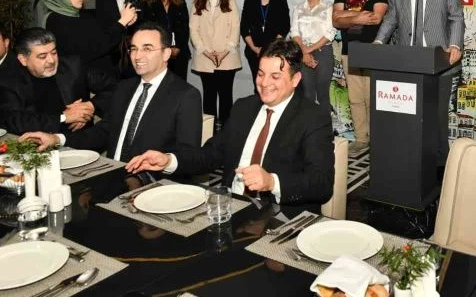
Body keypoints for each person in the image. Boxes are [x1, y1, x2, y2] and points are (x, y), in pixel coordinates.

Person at [126, 39, 334, 212]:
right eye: (260, 74)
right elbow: (211, 154)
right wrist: (169, 160)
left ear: (295, 79)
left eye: (275, 76)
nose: (264, 83)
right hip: (231, 208)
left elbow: (322, 184)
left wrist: (272, 182)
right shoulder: (244, 108)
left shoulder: (313, 118)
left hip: (278, 216)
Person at [19, 22, 203, 174]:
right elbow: (103, 132)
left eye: (147, 48)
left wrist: (167, 161)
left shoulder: (186, 95)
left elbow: (190, 156)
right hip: (110, 174)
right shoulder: (124, 88)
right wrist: (56, 139)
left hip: (152, 182)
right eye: (133, 49)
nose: (137, 56)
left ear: (166, 53)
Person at [374, 0, 465, 166]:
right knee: (409, 116)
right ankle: (411, 161)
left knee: (437, 117)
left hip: (440, 62)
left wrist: (455, 45)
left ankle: (440, 166)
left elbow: (456, 17)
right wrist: (378, 41)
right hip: (407, 63)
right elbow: (391, 18)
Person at [0, 27, 115, 134]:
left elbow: (115, 88)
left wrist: (90, 106)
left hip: (78, 140)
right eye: (42, 56)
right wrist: (64, 117)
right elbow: (13, 120)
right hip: (34, 146)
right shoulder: (7, 80)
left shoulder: (73, 66)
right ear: (23, 59)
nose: (51, 60)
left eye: (54, 53)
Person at [332, 0, 389, 154]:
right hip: (349, 51)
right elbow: (335, 21)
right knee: (355, 98)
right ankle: (361, 138)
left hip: (373, 51)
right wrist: (358, 17)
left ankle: (377, 137)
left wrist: (346, 15)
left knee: (373, 97)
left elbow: (376, 18)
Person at [41, 0, 137, 78]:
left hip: (104, 76)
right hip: (86, 82)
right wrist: (122, 21)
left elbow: (105, 32)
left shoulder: (77, 14)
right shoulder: (56, 21)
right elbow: (94, 48)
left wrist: (124, 22)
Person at [190, 0, 242, 128]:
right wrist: (207, 52)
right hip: (205, 58)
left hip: (227, 57)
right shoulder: (197, 3)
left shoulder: (230, 1)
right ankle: (209, 133)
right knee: (209, 97)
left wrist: (224, 52)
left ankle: (226, 133)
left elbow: (235, 28)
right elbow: (193, 30)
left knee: (226, 97)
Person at [291, 0, 336, 117]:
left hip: (323, 52)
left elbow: (330, 33)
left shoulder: (329, 7)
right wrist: (304, 52)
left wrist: (309, 49)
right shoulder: (298, 8)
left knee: (323, 94)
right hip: (303, 53)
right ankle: (308, 128)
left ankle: (325, 129)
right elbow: (294, 32)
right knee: (307, 94)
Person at [240, 0, 290, 92]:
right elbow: (244, 27)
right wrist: (255, 48)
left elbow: (285, 25)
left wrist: (271, 48)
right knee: (258, 86)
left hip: (274, 51)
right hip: (254, 52)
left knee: (273, 86)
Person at [95, 0, 144, 77]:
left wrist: (136, 18)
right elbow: (101, 22)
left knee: (135, 80)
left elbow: (144, 19)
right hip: (112, 48)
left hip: (135, 45)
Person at [142, 0, 190, 79]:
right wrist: (163, 48)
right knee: (161, 84)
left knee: (179, 84)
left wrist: (178, 47)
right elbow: (148, 29)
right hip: (158, 52)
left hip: (179, 51)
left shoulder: (180, 2)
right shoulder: (148, 4)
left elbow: (185, 28)